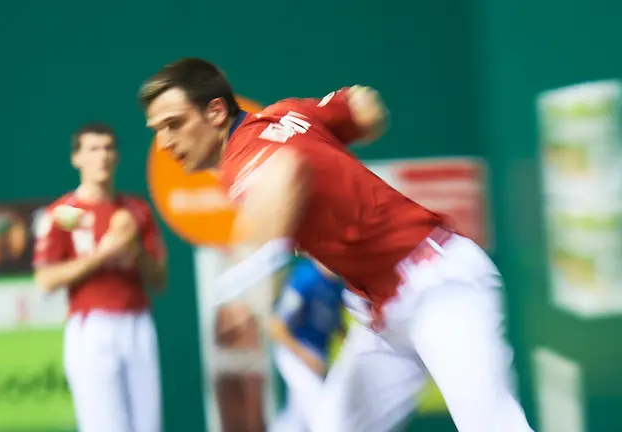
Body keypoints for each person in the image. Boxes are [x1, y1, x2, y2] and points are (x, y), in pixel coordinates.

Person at [139, 58, 534, 432]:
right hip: (383, 313)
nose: (165, 141)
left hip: (438, 288)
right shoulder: (286, 114)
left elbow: (285, 174)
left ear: (215, 112)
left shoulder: (245, 160)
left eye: (174, 124)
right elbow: (364, 109)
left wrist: (249, 278)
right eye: (157, 129)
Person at [32, 123, 167, 432]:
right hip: (91, 328)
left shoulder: (137, 211)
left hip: (137, 324)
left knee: (148, 426)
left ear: (117, 156)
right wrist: (102, 255)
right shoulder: (61, 214)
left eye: (108, 148)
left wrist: (134, 249)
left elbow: (159, 279)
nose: (102, 157)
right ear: (76, 159)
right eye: (93, 149)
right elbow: (46, 280)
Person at [269, 257, 345, 432]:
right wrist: (305, 356)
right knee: (323, 411)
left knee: (295, 420)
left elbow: (339, 328)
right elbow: (277, 326)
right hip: (294, 353)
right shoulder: (306, 277)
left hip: (318, 356)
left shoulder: (337, 285)